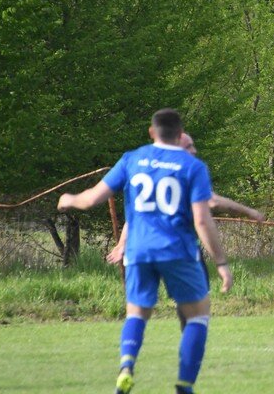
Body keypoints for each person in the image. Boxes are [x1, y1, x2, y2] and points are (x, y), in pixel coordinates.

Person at [57, 109, 232, 394]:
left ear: (152, 132)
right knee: (198, 315)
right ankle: (185, 385)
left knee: (136, 314)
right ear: (180, 134)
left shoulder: (132, 159)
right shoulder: (192, 167)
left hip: (138, 251)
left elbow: (91, 199)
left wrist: (69, 199)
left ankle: (126, 365)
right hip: (178, 251)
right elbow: (201, 219)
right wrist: (221, 262)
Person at [106, 131, 264, 330]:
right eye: (189, 146)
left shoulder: (151, 171)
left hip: (145, 251)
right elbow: (213, 201)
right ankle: (190, 342)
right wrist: (248, 211)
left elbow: (136, 217)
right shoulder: (186, 172)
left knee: (142, 307)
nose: (194, 151)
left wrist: (122, 244)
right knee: (195, 302)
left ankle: (130, 354)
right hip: (180, 249)